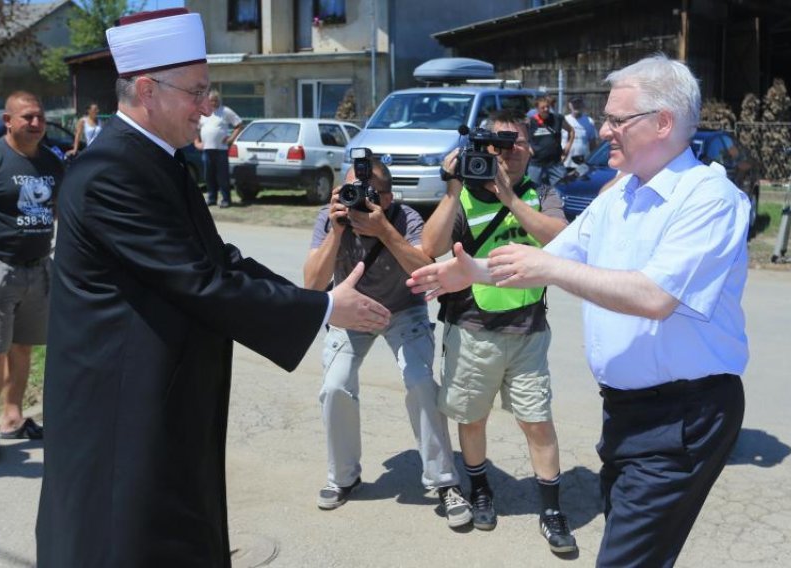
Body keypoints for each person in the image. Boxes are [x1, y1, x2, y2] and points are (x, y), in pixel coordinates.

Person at [35, 9, 390, 567]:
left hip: (162, 403)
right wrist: (322, 308)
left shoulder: (160, 162)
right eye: (197, 92)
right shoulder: (111, 172)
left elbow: (218, 259)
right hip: (121, 417)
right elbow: (199, 281)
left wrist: (319, 301)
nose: (208, 107)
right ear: (146, 90)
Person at [408, 55, 749, 567]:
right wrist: (470, 272)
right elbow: (558, 257)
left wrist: (545, 269)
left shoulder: (709, 198)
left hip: (684, 415)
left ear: (662, 122)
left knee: (623, 559)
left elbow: (654, 297)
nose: (603, 130)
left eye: (617, 119)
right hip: (627, 411)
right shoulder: (622, 196)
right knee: (636, 549)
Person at [419, 109, 577, 552]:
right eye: (499, 146)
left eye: (518, 144)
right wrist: (452, 187)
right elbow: (428, 249)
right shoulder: (463, 197)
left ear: (530, 148)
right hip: (471, 330)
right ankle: (481, 489)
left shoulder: (540, 192)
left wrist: (510, 199)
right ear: (484, 150)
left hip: (528, 332)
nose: (509, 154)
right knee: (472, 418)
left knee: (538, 423)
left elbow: (558, 240)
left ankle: (551, 510)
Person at [303, 158, 471, 528]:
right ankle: (343, 477)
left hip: (403, 311)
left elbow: (422, 269)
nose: (358, 199)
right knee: (334, 387)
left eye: (370, 193)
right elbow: (313, 285)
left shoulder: (405, 217)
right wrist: (335, 231)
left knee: (420, 382)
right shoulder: (330, 218)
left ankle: (445, 482)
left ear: (389, 197)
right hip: (352, 311)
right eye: (350, 191)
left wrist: (383, 231)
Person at [0, 91, 63, 456]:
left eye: (39, 117)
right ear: (8, 121)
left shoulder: (52, 163)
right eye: (27, 118)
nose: (35, 124)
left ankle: (13, 417)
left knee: (23, 347)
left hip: (39, 267)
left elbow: (63, 211)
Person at [194, 89, 243, 208]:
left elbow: (239, 125)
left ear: (219, 100)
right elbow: (195, 128)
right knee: (209, 176)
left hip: (221, 150)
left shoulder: (225, 111)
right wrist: (196, 142)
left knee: (222, 176)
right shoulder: (204, 112)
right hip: (207, 149)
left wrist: (231, 139)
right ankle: (212, 198)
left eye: (216, 100)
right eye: (211, 101)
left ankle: (226, 199)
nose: (213, 103)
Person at [526, 95, 574, 186]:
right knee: (532, 191)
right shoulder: (531, 121)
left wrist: (567, 148)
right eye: (542, 107)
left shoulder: (557, 119)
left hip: (555, 163)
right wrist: (528, 147)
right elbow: (520, 135)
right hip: (536, 163)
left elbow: (571, 131)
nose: (546, 109)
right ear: (537, 108)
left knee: (563, 187)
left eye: (547, 107)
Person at [562, 97, 598, 170]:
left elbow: (593, 144)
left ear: (582, 105)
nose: (576, 106)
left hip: (582, 165)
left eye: (578, 103)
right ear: (569, 105)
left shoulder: (589, 122)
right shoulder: (563, 120)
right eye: (574, 104)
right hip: (564, 164)